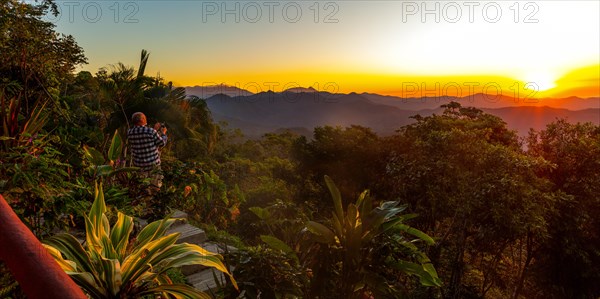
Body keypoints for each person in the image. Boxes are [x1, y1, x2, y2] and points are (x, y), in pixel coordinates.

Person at [127, 112, 167, 188]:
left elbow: (144, 138)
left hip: (140, 167)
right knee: (155, 188)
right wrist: (164, 133)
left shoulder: (130, 132)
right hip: (153, 166)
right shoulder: (151, 131)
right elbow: (162, 143)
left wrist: (155, 130)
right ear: (142, 120)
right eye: (145, 118)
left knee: (143, 190)